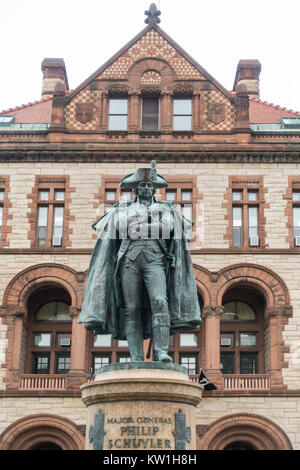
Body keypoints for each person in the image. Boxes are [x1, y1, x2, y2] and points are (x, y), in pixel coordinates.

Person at [78, 161, 201, 362]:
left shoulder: (166, 209)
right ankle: (136, 357)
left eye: (149, 185)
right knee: (131, 308)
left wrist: (138, 225)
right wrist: (150, 224)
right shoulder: (121, 210)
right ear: (135, 189)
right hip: (128, 261)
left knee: (160, 302)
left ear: (154, 189)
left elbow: (167, 227)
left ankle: (161, 352)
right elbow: (118, 226)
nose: (146, 188)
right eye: (142, 185)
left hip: (156, 261)